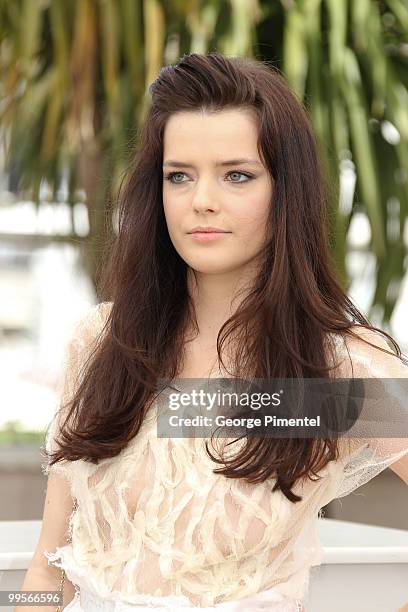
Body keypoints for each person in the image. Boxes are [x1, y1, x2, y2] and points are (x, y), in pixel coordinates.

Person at [19, 52, 408, 612]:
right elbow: (47, 568)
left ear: (286, 191)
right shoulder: (104, 340)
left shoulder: (332, 366)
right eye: (179, 175)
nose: (202, 199)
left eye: (237, 175)